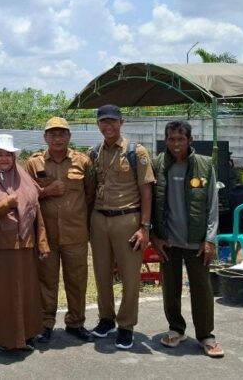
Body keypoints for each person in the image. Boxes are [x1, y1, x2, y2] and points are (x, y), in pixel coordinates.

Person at [151, 121, 224, 358]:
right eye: (171, 139)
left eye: (180, 139)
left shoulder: (204, 165)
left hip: (197, 242)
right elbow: (151, 204)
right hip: (169, 242)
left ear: (190, 140)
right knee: (170, 289)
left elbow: (212, 205)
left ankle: (206, 336)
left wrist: (210, 240)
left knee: (202, 290)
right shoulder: (158, 165)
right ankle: (176, 329)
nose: (175, 144)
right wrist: (155, 236)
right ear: (166, 141)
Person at [0, 134, 50, 351]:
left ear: (14, 157)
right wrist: (5, 204)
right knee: (3, 294)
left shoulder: (24, 178)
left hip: (25, 245)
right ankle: (7, 341)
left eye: (9, 155)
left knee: (27, 292)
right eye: (0, 155)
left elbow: (37, 211)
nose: (5, 159)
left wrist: (42, 242)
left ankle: (27, 335)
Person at [88, 104, 155, 350]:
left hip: (128, 219)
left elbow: (146, 191)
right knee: (101, 272)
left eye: (113, 121)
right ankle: (106, 319)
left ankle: (126, 326)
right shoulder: (94, 153)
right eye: (103, 122)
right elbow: (90, 188)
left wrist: (145, 227)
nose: (108, 126)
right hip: (99, 219)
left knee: (129, 276)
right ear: (98, 125)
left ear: (122, 122)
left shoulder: (136, 152)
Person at [24, 117, 95, 344]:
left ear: (69, 137)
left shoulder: (83, 162)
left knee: (77, 280)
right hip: (47, 236)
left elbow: (91, 195)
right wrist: (47, 192)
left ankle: (76, 323)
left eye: (62, 134)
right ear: (45, 137)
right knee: (46, 280)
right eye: (52, 134)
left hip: (76, 235)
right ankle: (45, 324)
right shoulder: (33, 163)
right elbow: (25, 197)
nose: (57, 138)